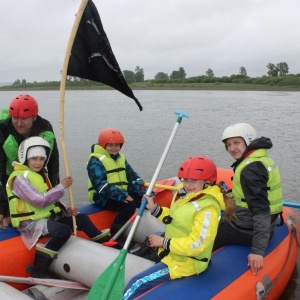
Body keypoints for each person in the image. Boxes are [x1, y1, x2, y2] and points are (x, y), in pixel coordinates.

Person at [123, 156, 236, 300]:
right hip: (173, 254)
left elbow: (197, 244)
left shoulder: (207, 209)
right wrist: (155, 209)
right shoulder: (185, 195)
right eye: (186, 180)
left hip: (186, 262)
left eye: (194, 180)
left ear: (207, 182)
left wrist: (163, 242)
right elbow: (175, 218)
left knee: (136, 283)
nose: (188, 185)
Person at [6, 137, 110, 278]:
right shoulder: (19, 179)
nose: (38, 162)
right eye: (34, 159)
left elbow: (51, 200)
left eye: (42, 159)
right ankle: (39, 271)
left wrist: (67, 210)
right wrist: (61, 186)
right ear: (25, 159)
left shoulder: (41, 174)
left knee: (81, 218)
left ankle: (107, 246)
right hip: (31, 223)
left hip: (46, 217)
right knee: (63, 230)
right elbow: (39, 201)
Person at [213, 123, 283, 276]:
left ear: (248, 141)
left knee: (203, 232)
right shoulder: (261, 159)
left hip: (245, 229)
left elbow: (261, 211)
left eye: (237, 143)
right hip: (259, 222)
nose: (232, 148)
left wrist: (257, 251)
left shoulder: (250, 169)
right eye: (228, 144)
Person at [0, 94, 60, 229]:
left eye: (24, 118)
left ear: (34, 116)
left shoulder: (45, 127)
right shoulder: (3, 130)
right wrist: (3, 206)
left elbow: (53, 162)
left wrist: (54, 193)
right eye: (15, 118)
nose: (19, 123)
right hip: (10, 177)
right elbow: (0, 168)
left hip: (34, 172)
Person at [87, 128, 144, 237]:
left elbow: (131, 175)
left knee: (141, 199)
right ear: (103, 145)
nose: (114, 148)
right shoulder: (95, 160)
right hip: (102, 196)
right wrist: (123, 196)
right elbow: (101, 185)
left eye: (117, 145)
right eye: (111, 145)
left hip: (120, 192)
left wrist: (142, 189)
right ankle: (116, 233)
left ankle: (139, 230)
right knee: (129, 206)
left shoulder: (121, 158)